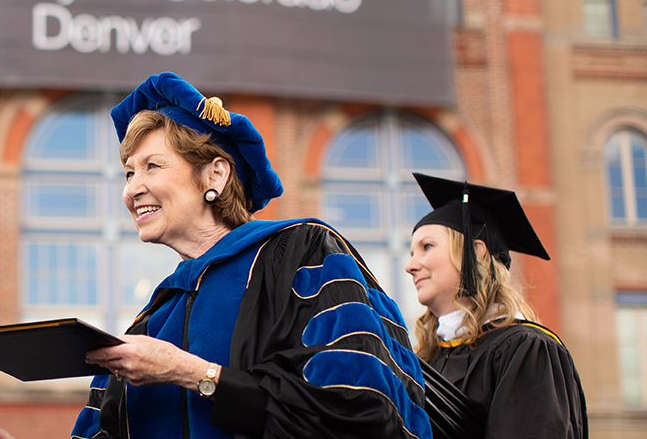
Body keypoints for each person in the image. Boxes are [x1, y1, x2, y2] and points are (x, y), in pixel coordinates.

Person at [64, 73, 431, 439]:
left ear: (215, 175)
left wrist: (192, 373)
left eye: (152, 166)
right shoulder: (154, 318)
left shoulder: (299, 254)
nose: (131, 190)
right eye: (128, 173)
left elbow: (357, 409)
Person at [405, 173, 587, 438]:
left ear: (476, 252)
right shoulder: (425, 360)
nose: (410, 266)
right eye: (412, 253)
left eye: (427, 247)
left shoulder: (525, 350)